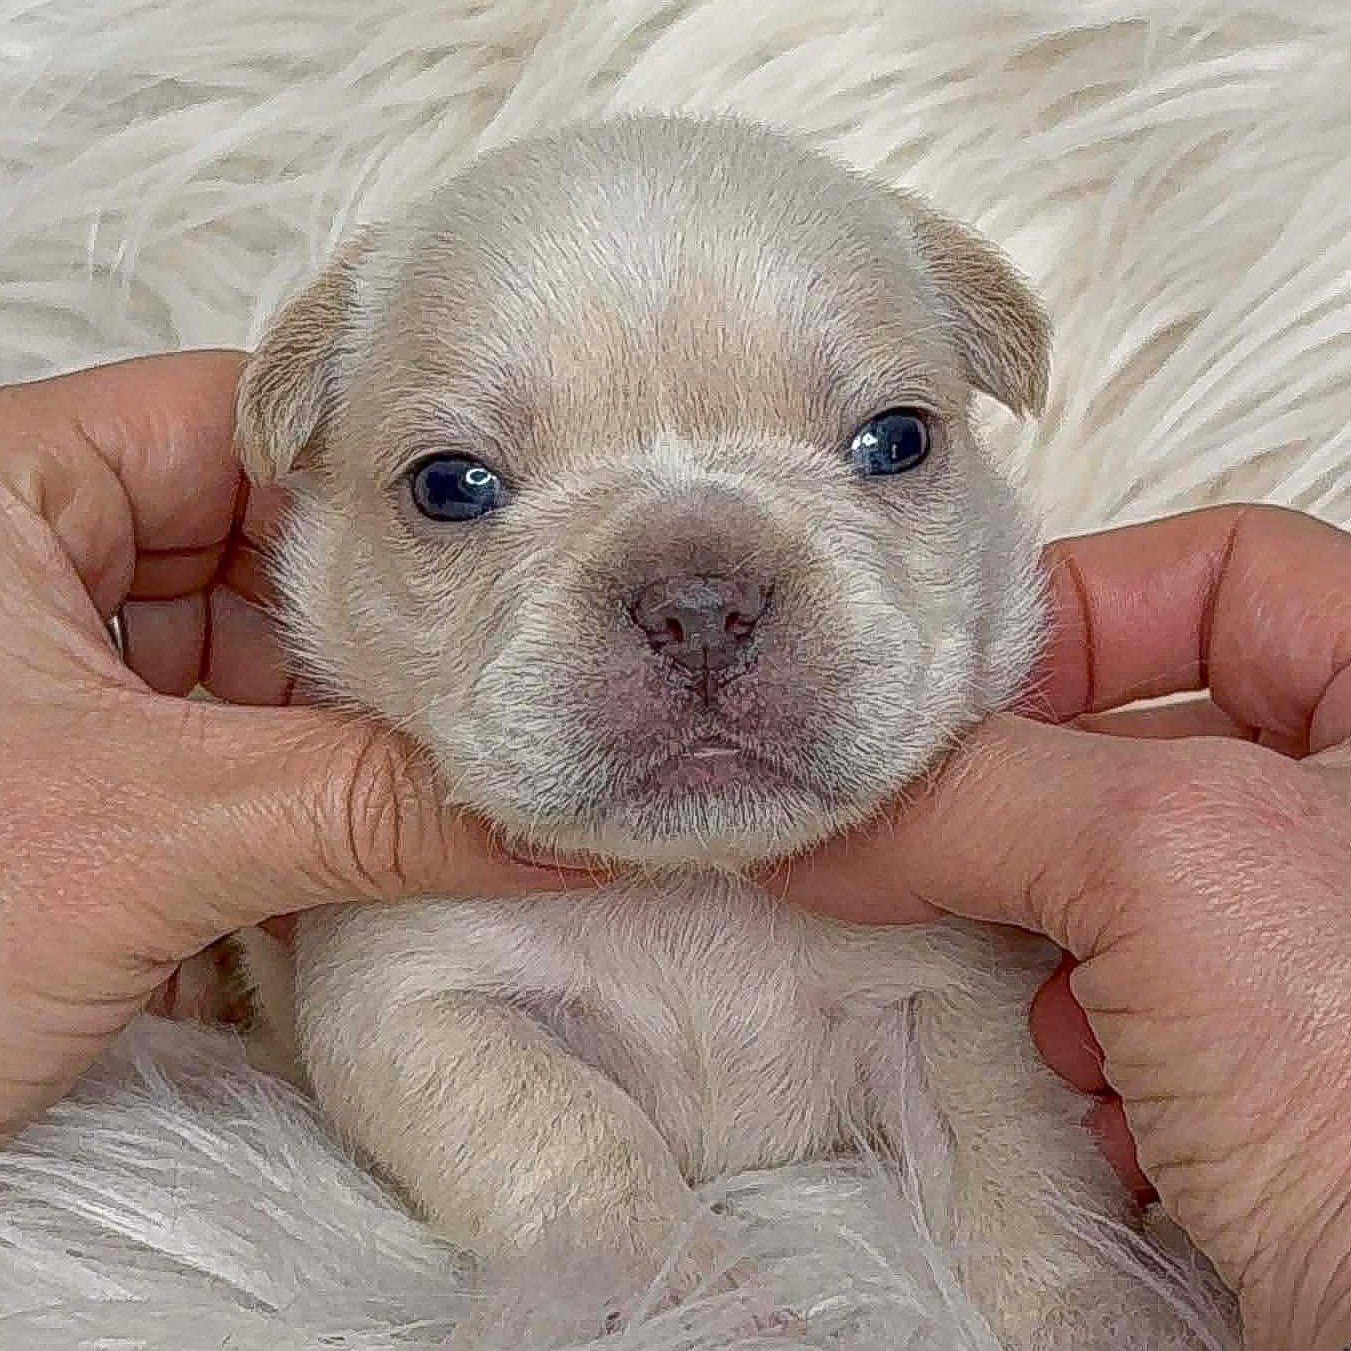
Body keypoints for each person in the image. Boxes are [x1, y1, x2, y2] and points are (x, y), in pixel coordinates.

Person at [1, 353, 1347, 1348]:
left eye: (882, 444)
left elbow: (969, 1039)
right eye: (461, 486)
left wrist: (1100, 1282)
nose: (703, 606)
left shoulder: (1024, 846)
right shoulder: (345, 832)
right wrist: (641, 1258)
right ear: (304, 492)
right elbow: (409, 1027)